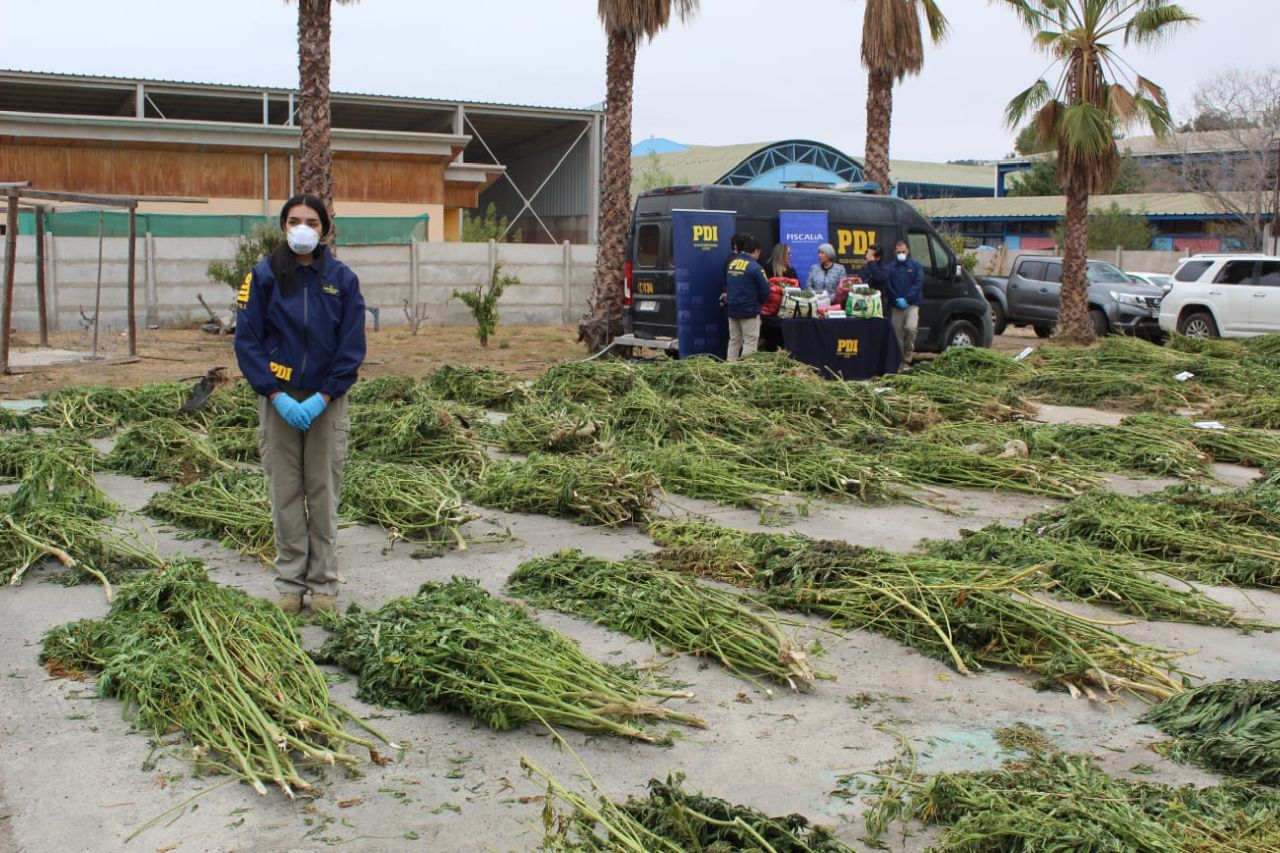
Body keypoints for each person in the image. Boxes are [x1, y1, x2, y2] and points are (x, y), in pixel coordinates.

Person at [234, 194, 367, 615]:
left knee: (323, 492)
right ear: (283, 226)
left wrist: (325, 395)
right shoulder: (262, 277)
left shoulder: (342, 280)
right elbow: (247, 341)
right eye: (294, 221)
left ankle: (323, 583)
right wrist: (274, 394)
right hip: (279, 401)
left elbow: (351, 345)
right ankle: (290, 584)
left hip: (326, 401)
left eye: (311, 221)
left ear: (324, 228)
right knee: (286, 494)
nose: (302, 228)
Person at [721, 234, 771, 361]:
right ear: (756, 251)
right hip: (749, 310)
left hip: (733, 309)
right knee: (750, 341)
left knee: (734, 340)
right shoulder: (755, 267)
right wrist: (760, 302)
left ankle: (729, 367)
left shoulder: (733, 263)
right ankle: (745, 369)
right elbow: (765, 290)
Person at [884, 239, 923, 371]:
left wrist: (907, 299)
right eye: (899, 252)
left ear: (908, 251)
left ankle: (909, 353)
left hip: (912, 305)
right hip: (896, 306)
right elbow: (888, 285)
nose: (901, 254)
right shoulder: (890, 267)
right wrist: (897, 299)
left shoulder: (916, 266)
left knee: (911, 328)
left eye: (903, 252)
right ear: (895, 252)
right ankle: (901, 362)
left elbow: (917, 285)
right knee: (897, 335)